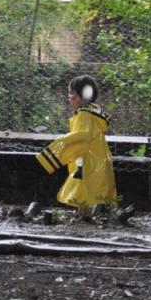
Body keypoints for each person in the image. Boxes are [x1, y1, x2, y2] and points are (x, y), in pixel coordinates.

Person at [36, 75, 117, 209]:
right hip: (99, 161)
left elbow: (83, 136)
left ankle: (84, 215)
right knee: (92, 193)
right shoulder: (94, 112)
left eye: (71, 93)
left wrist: (61, 141)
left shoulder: (83, 114)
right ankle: (90, 214)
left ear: (81, 96)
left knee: (82, 191)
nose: (69, 96)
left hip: (88, 163)